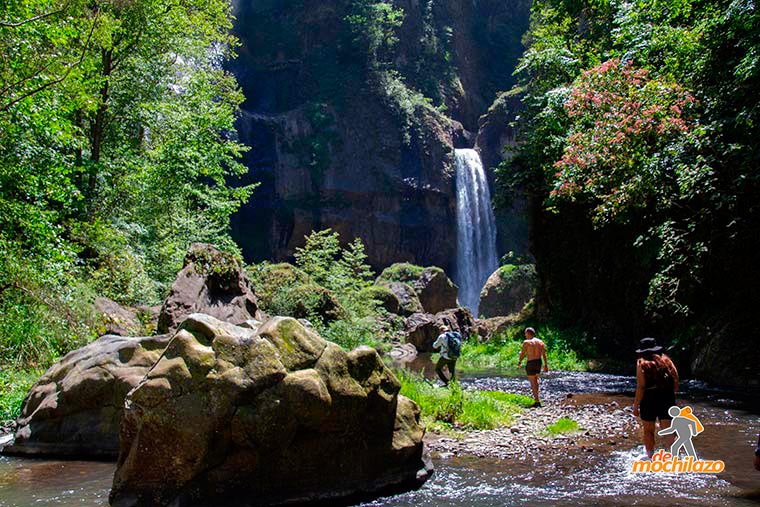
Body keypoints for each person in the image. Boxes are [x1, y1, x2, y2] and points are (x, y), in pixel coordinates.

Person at [632, 337, 679, 458]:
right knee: (668, 429)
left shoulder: (641, 364)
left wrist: (636, 406)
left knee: (648, 431)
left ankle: (650, 457)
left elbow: (641, 387)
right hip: (666, 397)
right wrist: (671, 394)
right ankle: (674, 458)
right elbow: (676, 379)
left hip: (649, 398)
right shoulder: (666, 360)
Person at [517, 327, 548, 407]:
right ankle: (537, 399)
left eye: (525, 333)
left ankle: (537, 401)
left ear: (528, 333)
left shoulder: (526, 342)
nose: (525, 335)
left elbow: (523, 354)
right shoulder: (540, 342)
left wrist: (519, 361)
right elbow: (544, 354)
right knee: (536, 380)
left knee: (533, 382)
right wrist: (546, 365)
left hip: (531, 362)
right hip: (538, 362)